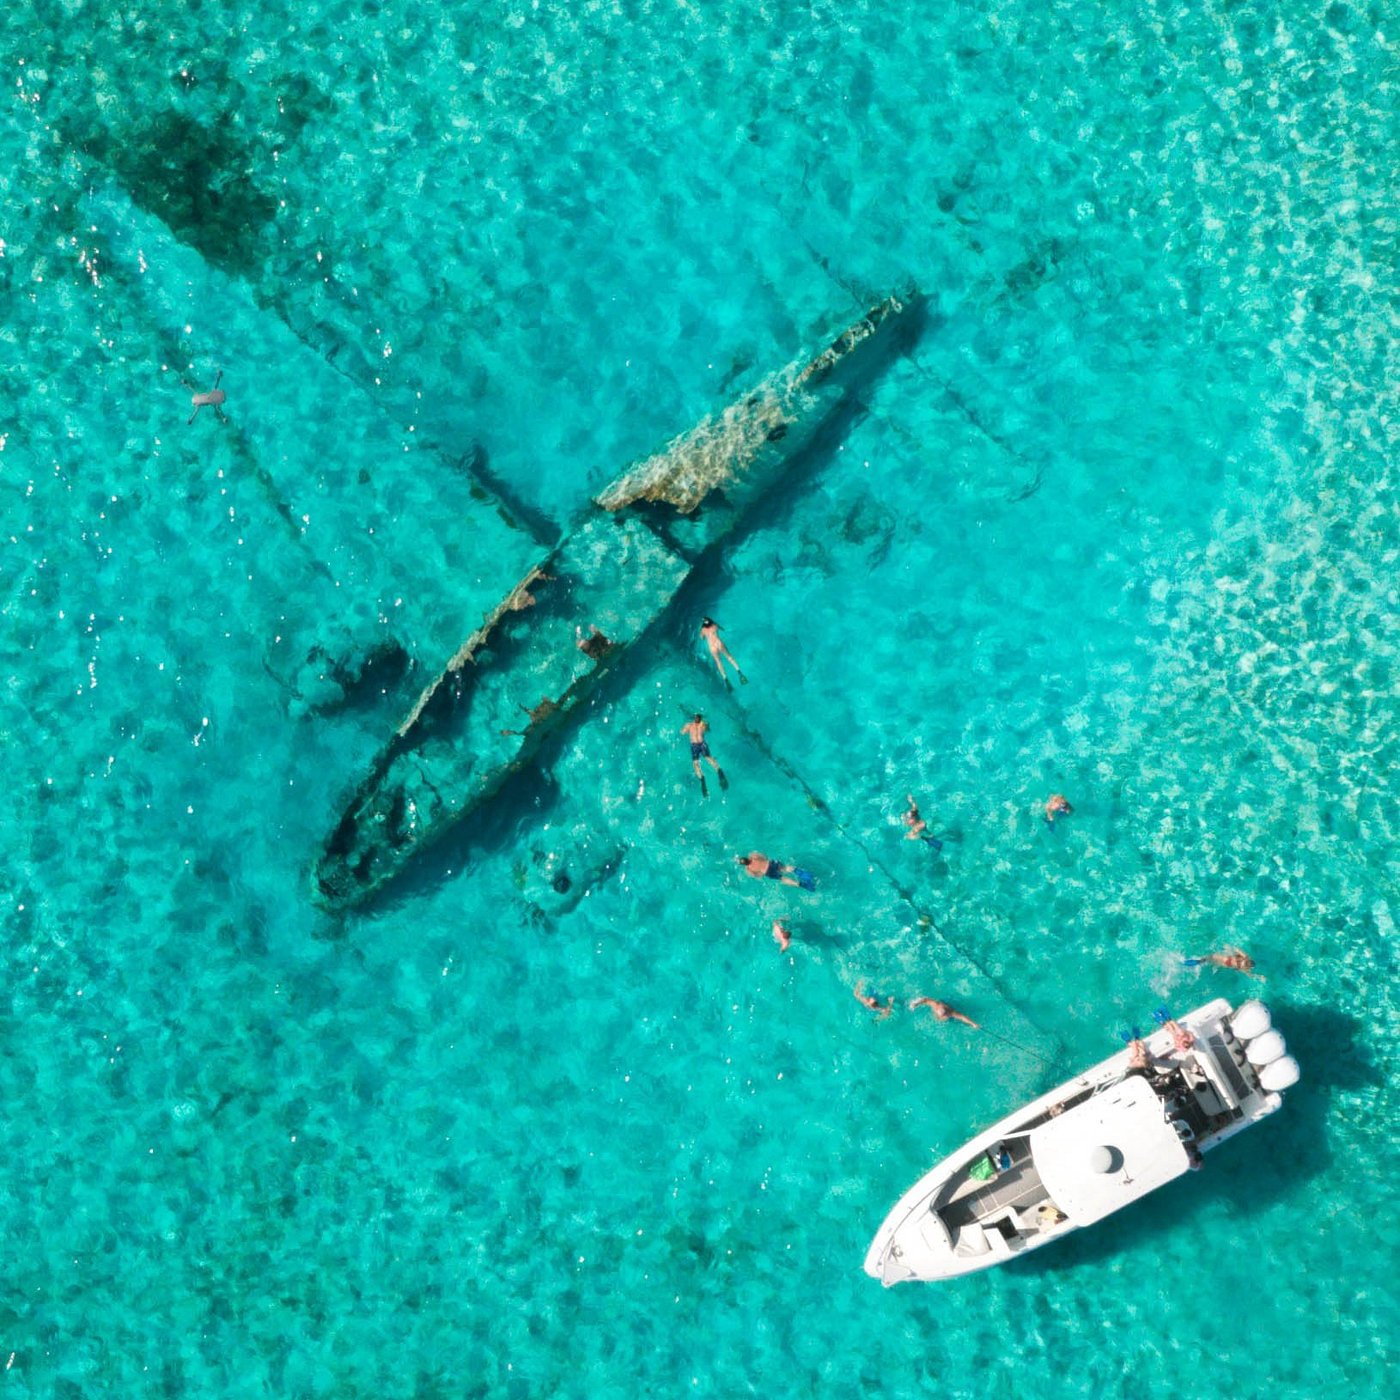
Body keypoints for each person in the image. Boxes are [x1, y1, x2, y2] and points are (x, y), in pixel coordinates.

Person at [681, 713, 726, 794]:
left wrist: (686, 729)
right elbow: (682, 732)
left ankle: (704, 778)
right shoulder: (696, 725)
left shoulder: (695, 725)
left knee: (700, 762)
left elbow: (682, 732)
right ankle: (717, 773)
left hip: (698, 745)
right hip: (699, 744)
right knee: (705, 760)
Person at [700, 617, 745, 685]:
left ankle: (725, 679)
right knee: (729, 657)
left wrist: (701, 629)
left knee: (719, 662)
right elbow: (723, 629)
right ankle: (739, 673)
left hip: (712, 647)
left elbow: (702, 638)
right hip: (719, 643)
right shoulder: (715, 625)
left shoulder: (703, 630)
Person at [1184, 945, 1264, 980]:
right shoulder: (1244, 966)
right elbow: (1250, 975)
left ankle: (1199, 961)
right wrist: (1260, 977)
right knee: (1211, 960)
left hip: (1227, 960)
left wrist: (1233, 951)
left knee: (1210, 958)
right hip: (1227, 963)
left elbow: (1236, 949)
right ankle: (1200, 962)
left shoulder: (1245, 960)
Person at [909, 996, 979, 1028]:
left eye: (945, 1015)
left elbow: (963, 1017)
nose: (945, 1015)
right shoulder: (935, 1004)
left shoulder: (951, 1012)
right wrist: (915, 1004)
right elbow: (925, 999)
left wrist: (973, 1024)